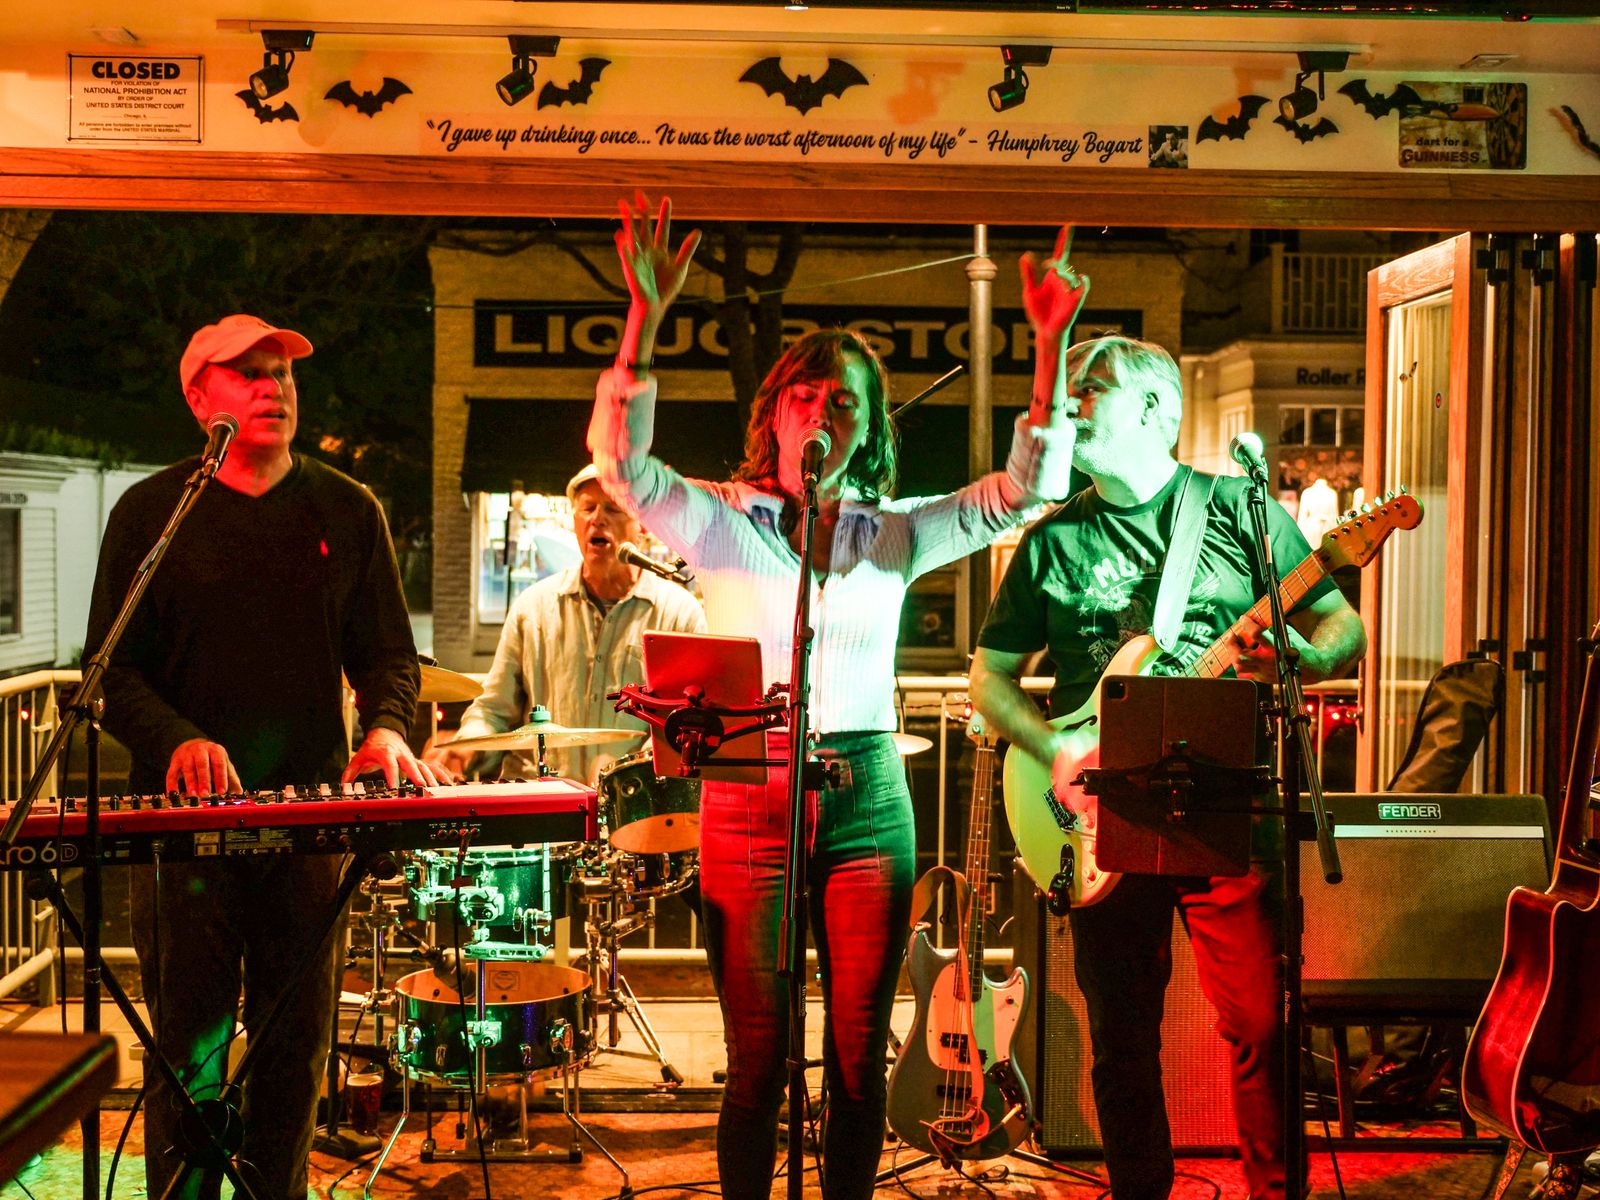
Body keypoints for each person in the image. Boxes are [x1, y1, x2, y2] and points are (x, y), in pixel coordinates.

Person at [587, 193, 1084, 1200]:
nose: (823, 412)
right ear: (774, 413)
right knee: (757, 1059)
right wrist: (643, 318)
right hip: (749, 795)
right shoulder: (721, 521)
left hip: (867, 795)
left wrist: (1047, 351)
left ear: (867, 429)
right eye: (807, 395)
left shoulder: (894, 531)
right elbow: (622, 466)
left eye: (846, 401)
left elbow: (1022, 493)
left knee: (859, 1057)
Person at [968, 333, 1367, 1200]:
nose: (1070, 403)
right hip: (1101, 809)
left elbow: (1344, 628)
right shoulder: (1051, 538)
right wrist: (1053, 747)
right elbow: (988, 678)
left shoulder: (1237, 509)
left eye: (1091, 387)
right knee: (1122, 1040)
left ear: (1153, 406)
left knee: (1263, 1022)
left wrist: (1298, 656)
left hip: (1226, 798)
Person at [85, 313, 436, 1200]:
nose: (272, 387)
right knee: (190, 1052)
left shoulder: (348, 510)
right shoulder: (152, 513)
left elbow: (390, 658)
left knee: (295, 1048)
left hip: (308, 825)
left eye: (281, 372)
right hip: (182, 834)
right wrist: (178, 739)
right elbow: (109, 673)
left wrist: (387, 728)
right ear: (197, 396)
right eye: (246, 373)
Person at [425, 463, 707, 786]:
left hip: (633, 804)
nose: (597, 519)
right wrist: (463, 748)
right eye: (588, 508)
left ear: (643, 527)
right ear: (574, 521)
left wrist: (635, 770)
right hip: (536, 801)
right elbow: (493, 710)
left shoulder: (679, 615)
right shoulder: (532, 608)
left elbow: (684, 724)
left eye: (613, 508)